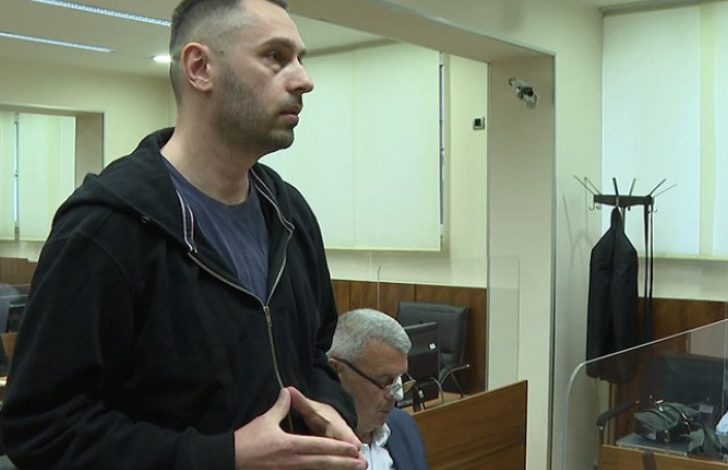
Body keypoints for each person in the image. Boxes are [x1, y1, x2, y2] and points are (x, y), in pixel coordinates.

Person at [0, 0, 368, 469]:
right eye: (275, 57)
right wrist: (222, 456)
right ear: (199, 68)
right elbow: (42, 429)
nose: (303, 79)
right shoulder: (106, 229)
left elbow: (314, 355)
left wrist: (331, 408)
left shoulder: (289, 213)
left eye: (300, 58)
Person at [328, 308, 429, 470]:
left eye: (399, 380)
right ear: (335, 371)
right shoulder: (305, 449)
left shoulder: (404, 427)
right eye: (384, 381)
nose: (398, 395)